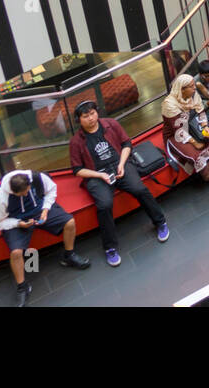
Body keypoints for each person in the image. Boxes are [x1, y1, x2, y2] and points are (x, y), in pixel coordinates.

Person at [69, 100, 169, 267]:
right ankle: (110, 247)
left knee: (139, 189)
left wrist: (122, 164)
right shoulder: (76, 142)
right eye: (85, 116)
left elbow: (126, 144)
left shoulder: (110, 124)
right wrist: (99, 176)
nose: (91, 118)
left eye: (92, 113)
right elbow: (77, 169)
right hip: (96, 174)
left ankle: (160, 222)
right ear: (79, 120)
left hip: (119, 164)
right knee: (104, 204)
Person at [0, 169, 90, 305]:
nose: (26, 194)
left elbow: (52, 190)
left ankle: (69, 256)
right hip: (17, 220)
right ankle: (22, 287)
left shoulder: (36, 177)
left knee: (70, 222)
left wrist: (46, 209)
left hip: (40, 210)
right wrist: (18, 223)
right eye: (23, 193)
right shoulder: (0, 196)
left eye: (28, 190)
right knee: (15, 253)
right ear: (13, 192)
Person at [162, 75, 209, 185]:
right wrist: (194, 142)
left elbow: (201, 111)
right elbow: (177, 129)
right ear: (182, 89)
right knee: (195, 154)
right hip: (176, 135)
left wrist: (205, 126)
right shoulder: (169, 104)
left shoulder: (193, 95)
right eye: (191, 86)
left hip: (193, 126)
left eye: (194, 85)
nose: (194, 88)